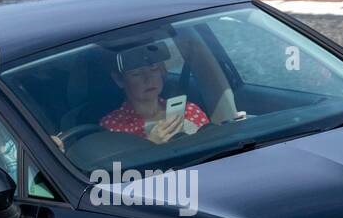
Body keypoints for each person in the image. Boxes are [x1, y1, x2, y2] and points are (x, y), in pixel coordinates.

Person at [98, 33, 244, 143]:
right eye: (136, 73)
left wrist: (230, 130)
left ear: (161, 70)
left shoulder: (189, 110)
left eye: (153, 68)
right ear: (119, 80)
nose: (148, 78)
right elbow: (120, 174)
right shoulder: (112, 126)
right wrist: (150, 144)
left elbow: (209, 147)